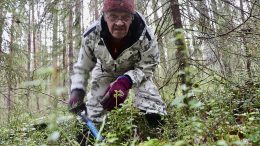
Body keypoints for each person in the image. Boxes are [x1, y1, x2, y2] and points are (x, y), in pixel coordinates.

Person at [68, 0, 167, 144]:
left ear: (132, 18)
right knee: (93, 111)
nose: (119, 23)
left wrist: (125, 81)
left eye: (125, 17)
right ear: (105, 16)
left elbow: (148, 65)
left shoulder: (145, 35)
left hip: (135, 72)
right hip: (105, 71)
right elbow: (82, 66)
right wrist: (77, 90)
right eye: (113, 16)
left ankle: (156, 137)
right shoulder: (92, 34)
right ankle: (87, 139)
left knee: (152, 103)